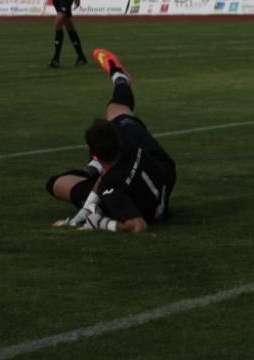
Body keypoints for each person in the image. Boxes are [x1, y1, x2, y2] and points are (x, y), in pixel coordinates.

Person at [46, 48, 176, 233]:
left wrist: (98, 222)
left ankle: (90, 171)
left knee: (56, 184)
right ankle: (120, 79)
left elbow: (138, 226)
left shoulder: (111, 186)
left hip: (146, 209)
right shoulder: (127, 139)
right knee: (118, 109)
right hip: (164, 173)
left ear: (94, 154)